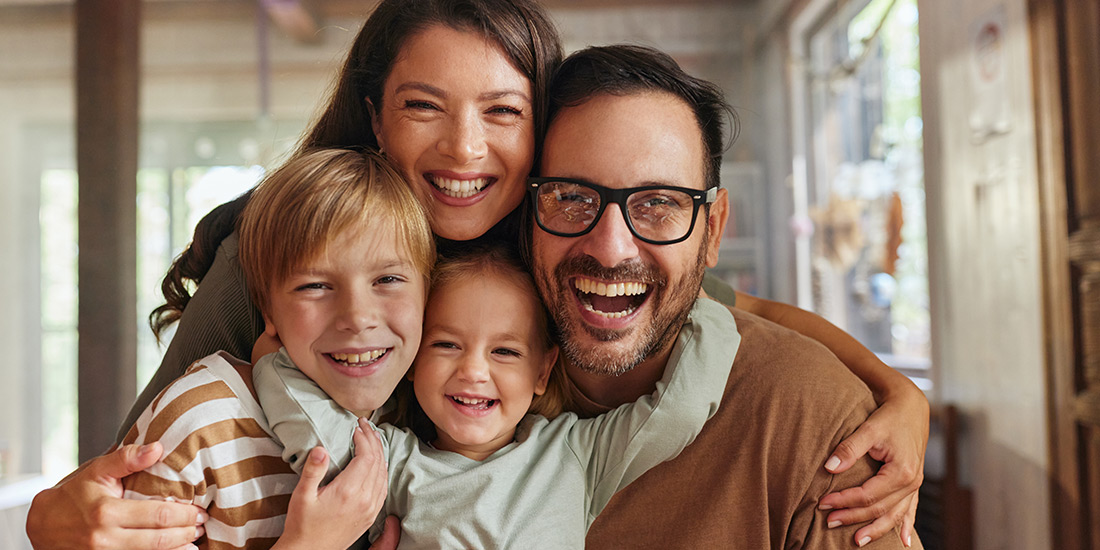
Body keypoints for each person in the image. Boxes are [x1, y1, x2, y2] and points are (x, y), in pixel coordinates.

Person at [25, 0, 925, 547]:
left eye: (502, 110)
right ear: (377, 120)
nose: (464, 148)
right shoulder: (290, 248)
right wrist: (51, 520)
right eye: (426, 108)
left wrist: (896, 390)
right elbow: (144, 455)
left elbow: (728, 304)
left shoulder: (561, 242)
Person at [525, 43, 923, 549]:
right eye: (572, 197)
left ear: (712, 231)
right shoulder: (454, 379)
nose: (610, 248)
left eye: (658, 204)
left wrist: (899, 391)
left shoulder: (816, 426)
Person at [253, 244, 738, 547]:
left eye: (505, 351)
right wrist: (268, 357)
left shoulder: (577, 453)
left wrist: (693, 300)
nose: (473, 370)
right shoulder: (389, 461)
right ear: (411, 360)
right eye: (445, 345)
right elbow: (310, 427)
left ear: (543, 370)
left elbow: (680, 409)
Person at [119, 148, 434, 550]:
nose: (357, 317)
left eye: (388, 279)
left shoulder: (413, 412)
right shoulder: (197, 425)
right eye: (315, 286)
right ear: (268, 309)